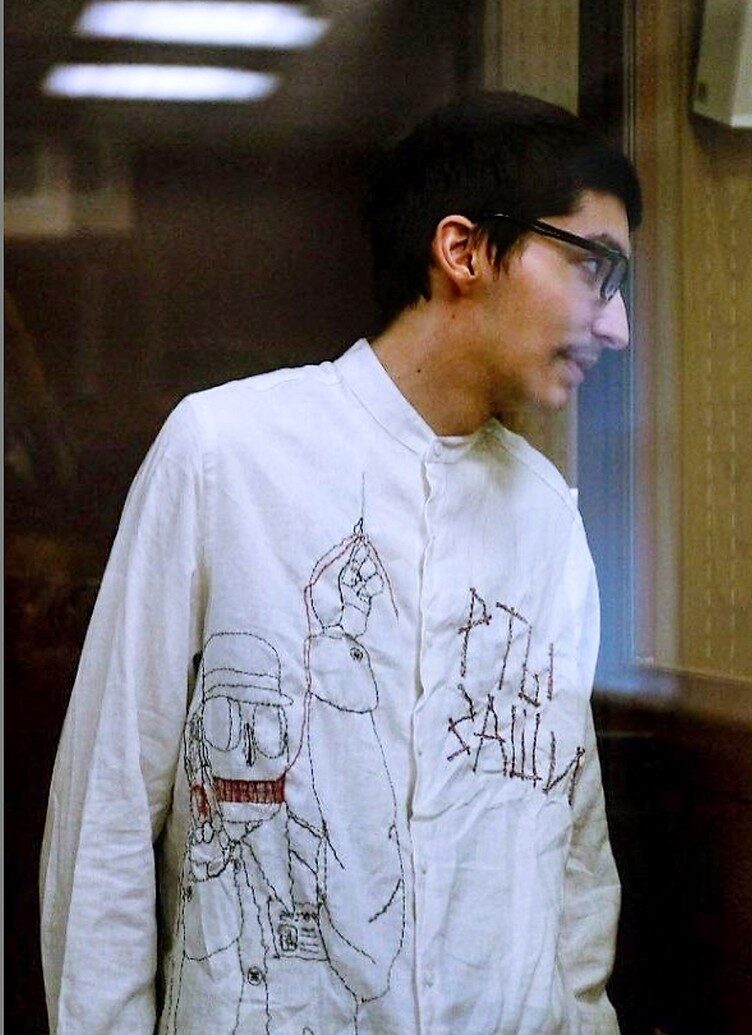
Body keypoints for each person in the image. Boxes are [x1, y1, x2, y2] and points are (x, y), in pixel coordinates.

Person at [40, 92, 638, 1034]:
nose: (617, 326)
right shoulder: (225, 455)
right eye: (593, 267)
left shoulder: (547, 519)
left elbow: (575, 862)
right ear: (465, 250)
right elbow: (107, 813)